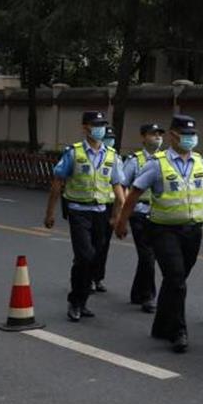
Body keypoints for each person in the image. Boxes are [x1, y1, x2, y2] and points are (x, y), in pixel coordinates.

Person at [114, 115, 203, 353]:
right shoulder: (157, 163)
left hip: (192, 231)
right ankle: (178, 331)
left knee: (176, 280)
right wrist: (122, 221)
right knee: (176, 279)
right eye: (185, 134)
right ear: (173, 136)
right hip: (163, 230)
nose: (191, 138)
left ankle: (161, 324)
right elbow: (133, 193)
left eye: (193, 134)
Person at [43, 110, 125, 321]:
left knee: (95, 258)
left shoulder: (111, 155)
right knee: (85, 256)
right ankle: (75, 301)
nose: (99, 128)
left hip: (101, 212)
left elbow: (118, 188)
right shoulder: (74, 153)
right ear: (85, 127)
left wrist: (119, 216)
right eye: (95, 124)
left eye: (101, 124)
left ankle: (83, 301)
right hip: (78, 211)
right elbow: (57, 183)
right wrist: (50, 212)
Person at [119, 123, 165, 312]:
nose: (157, 137)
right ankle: (148, 297)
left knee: (149, 256)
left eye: (160, 134)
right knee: (147, 256)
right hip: (139, 212)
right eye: (153, 134)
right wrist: (122, 213)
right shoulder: (135, 161)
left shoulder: (165, 160)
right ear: (143, 137)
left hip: (159, 214)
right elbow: (122, 185)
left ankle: (138, 292)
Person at [90, 125, 120, 294]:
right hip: (93, 205)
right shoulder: (91, 156)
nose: (110, 141)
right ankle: (86, 276)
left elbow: (121, 184)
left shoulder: (114, 158)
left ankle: (98, 277)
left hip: (110, 205)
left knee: (103, 244)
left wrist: (118, 213)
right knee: (89, 245)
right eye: (107, 138)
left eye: (112, 138)